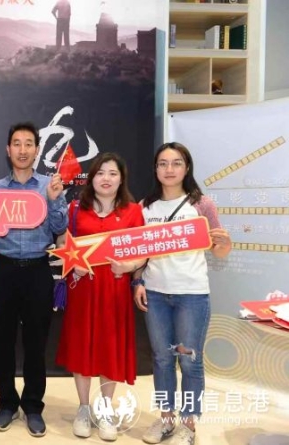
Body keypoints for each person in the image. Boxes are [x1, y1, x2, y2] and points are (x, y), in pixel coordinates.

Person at [134, 142, 231, 445]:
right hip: (156, 294)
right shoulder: (145, 207)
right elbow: (139, 252)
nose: (169, 169)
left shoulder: (201, 204)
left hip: (192, 294)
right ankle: (166, 420)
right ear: (155, 169)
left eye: (176, 163)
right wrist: (137, 282)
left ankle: (188, 426)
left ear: (186, 168)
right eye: (163, 163)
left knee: (189, 361)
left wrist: (225, 243)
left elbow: (220, 250)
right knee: (162, 360)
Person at [0, 122, 67, 438]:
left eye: (28, 143)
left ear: (37, 150)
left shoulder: (49, 185)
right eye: (16, 143)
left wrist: (54, 200)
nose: (22, 149)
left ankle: (32, 406)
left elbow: (60, 228)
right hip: (4, 270)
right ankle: (7, 403)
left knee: (35, 343)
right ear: (8, 150)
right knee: (3, 341)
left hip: (37, 271)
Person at [55, 152, 145, 441]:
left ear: (121, 179)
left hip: (115, 290)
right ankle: (83, 407)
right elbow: (62, 242)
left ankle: (105, 408)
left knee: (110, 347)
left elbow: (142, 251)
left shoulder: (133, 211)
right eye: (101, 173)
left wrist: (129, 266)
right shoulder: (75, 209)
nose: (106, 178)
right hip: (83, 288)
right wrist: (74, 265)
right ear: (91, 178)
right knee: (82, 346)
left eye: (113, 173)